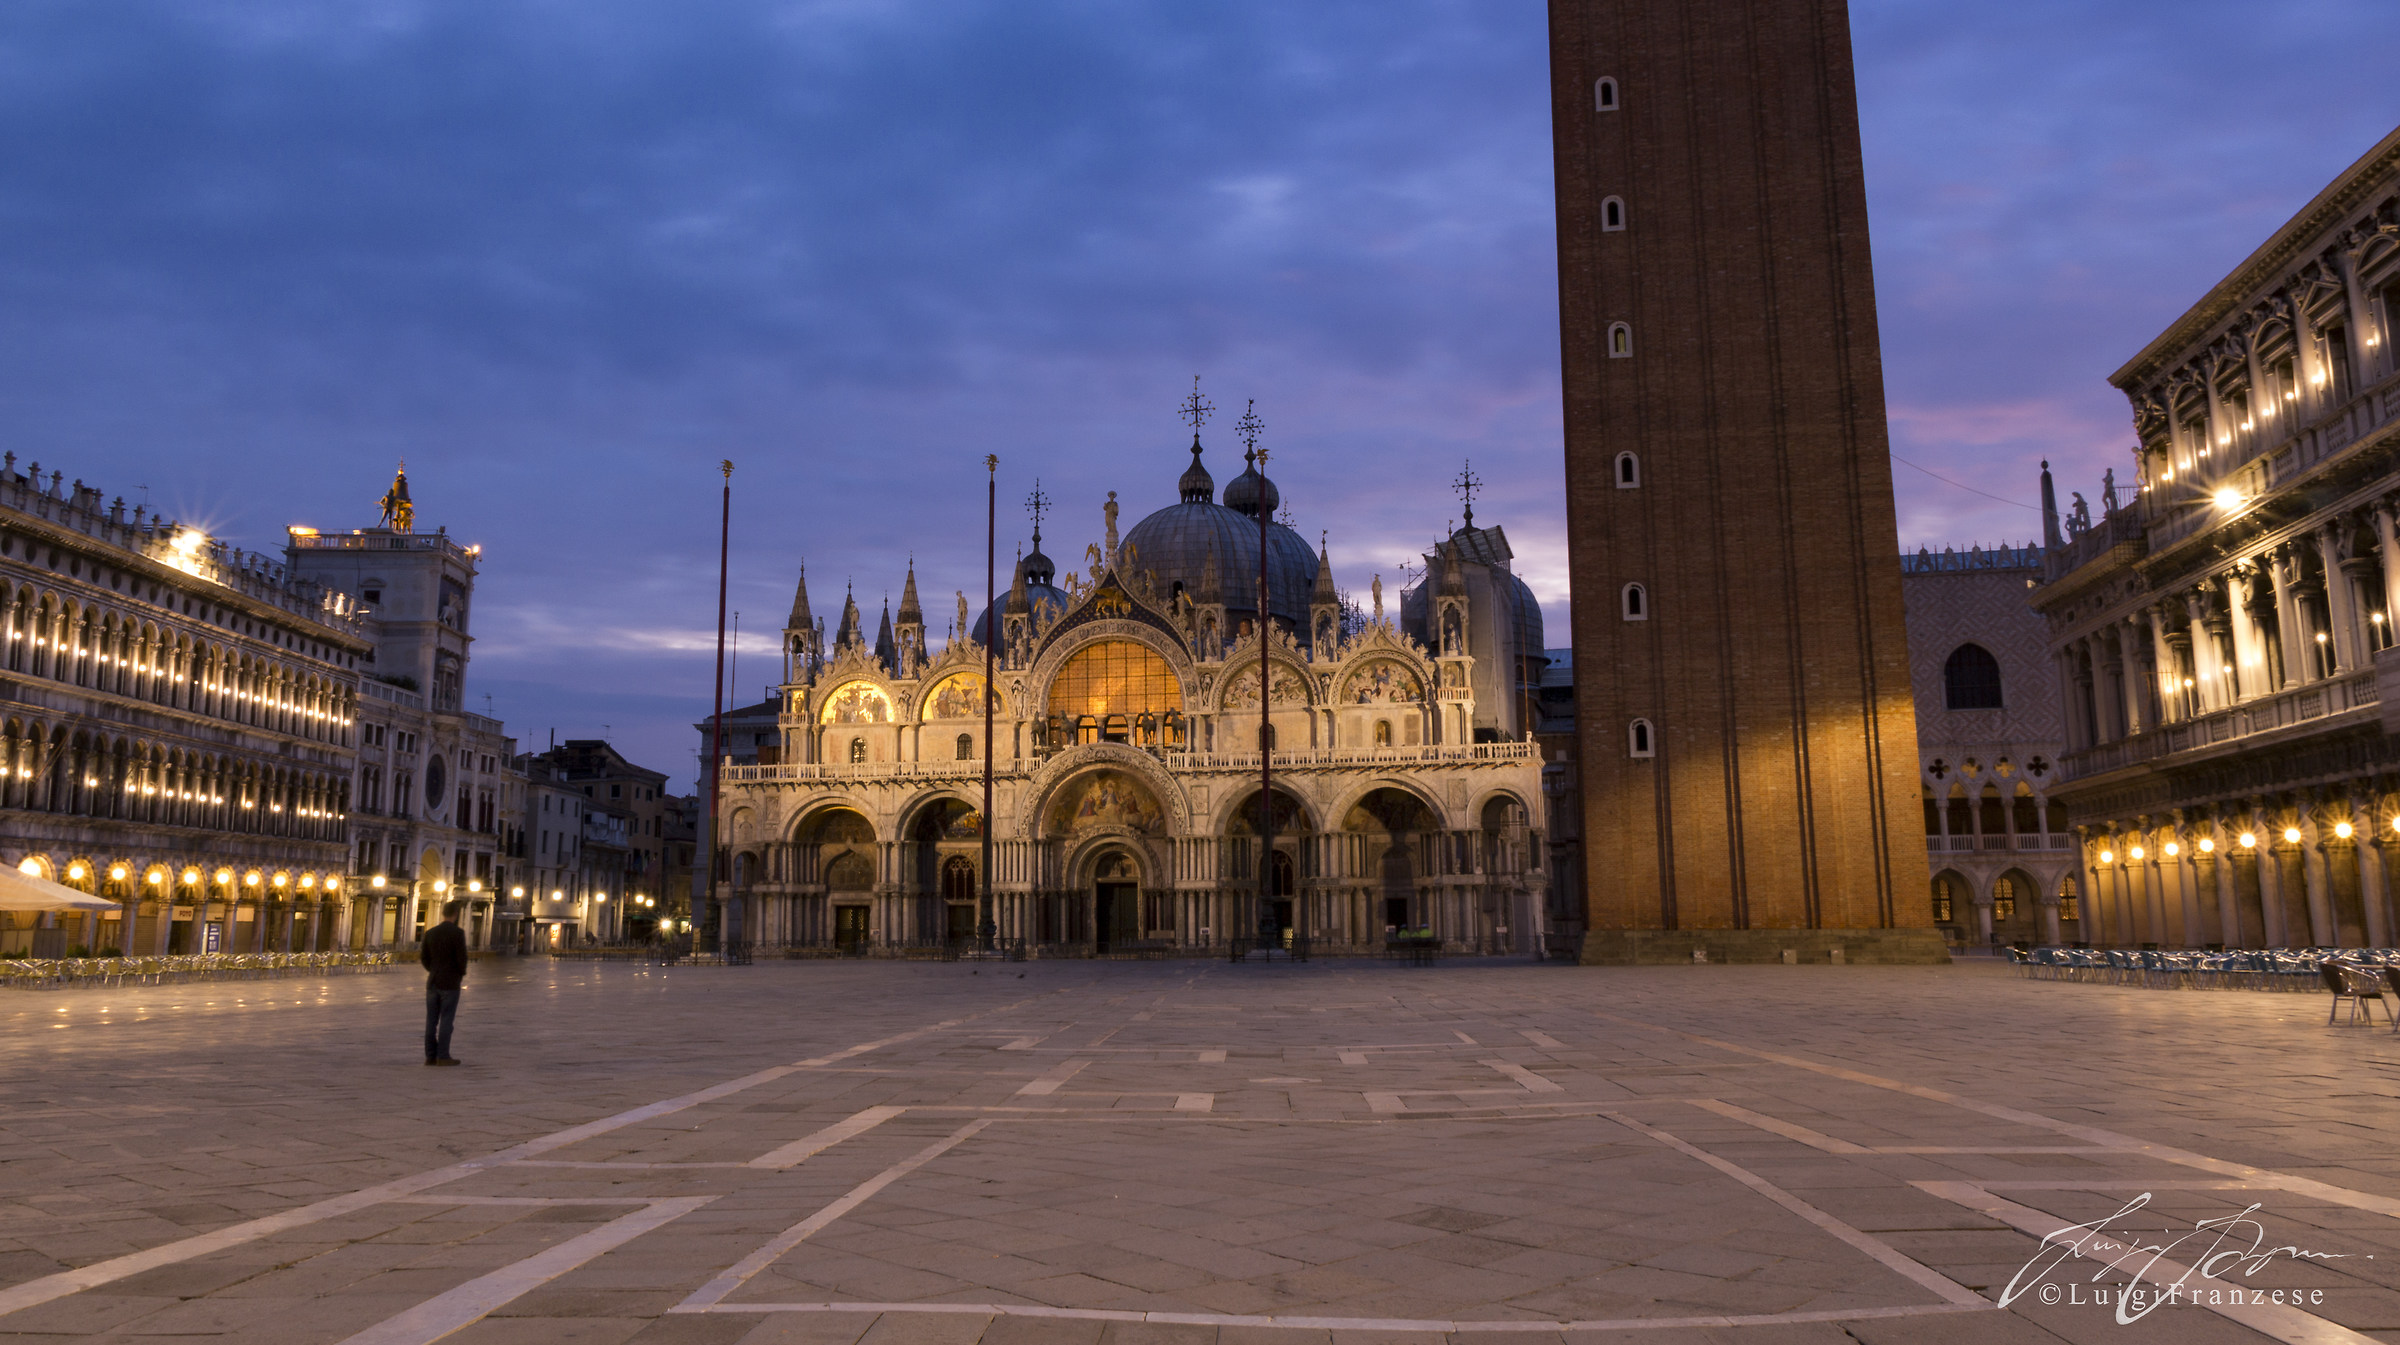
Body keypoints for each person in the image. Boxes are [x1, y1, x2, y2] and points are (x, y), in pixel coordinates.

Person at [421, 899, 468, 1066]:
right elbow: (462, 959)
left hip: (433, 981)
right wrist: (459, 974)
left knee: (431, 1021)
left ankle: (430, 1056)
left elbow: (424, 958)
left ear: (443, 913)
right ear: (455, 914)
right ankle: (443, 1055)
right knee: (447, 1020)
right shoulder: (457, 933)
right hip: (450, 982)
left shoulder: (430, 933)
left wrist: (433, 970)